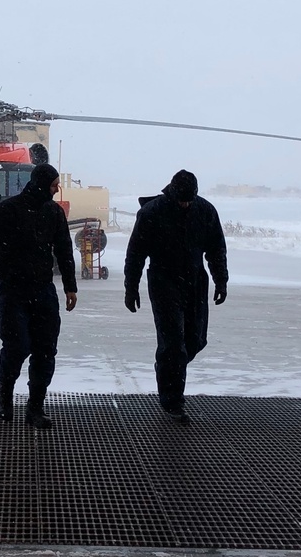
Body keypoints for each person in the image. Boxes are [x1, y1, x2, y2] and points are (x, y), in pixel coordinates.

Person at [0, 163, 78, 429]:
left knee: (45, 349)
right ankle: (6, 393)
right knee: (17, 345)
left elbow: (65, 250)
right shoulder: (8, 210)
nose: (58, 189)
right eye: (55, 184)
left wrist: (70, 286)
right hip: (12, 290)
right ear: (43, 183)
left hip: (43, 290)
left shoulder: (54, 212)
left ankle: (35, 407)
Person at [123, 169, 228, 424]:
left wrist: (221, 280)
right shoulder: (152, 212)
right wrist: (131, 287)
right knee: (173, 344)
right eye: (182, 199)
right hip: (163, 280)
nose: (185, 203)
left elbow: (216, 249)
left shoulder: (205, 210)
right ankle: (172, 400)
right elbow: (136, 253)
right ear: (172, 191)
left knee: (195, 340)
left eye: (189, 199)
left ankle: (167, 368)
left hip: (194, 280)